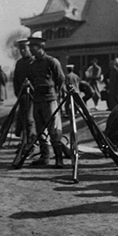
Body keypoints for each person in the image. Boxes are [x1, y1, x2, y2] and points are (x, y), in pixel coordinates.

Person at [27, 32, 68, 168]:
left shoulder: (52, 61)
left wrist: (56, 93)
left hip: (50, 100)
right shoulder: (32, 64)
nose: (31, 49)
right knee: (40, 130)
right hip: (37, 100)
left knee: (54, 129)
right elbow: (32, 80)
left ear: (40, 47)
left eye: (33, 46)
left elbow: (61, 78)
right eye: (30, 46)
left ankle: (59, 158)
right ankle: (45, 157)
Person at [12, 38, 36, 140]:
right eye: (20, 49)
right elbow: (15, 80)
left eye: (24, 48)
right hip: (22, 95)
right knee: (22, 119)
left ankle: (31, 142)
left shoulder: (34, 61)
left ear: (29, 48)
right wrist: (19, 93)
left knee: (29, 119)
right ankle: (24, 142)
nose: (22, 51)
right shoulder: (19, 63)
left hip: (33, 96)